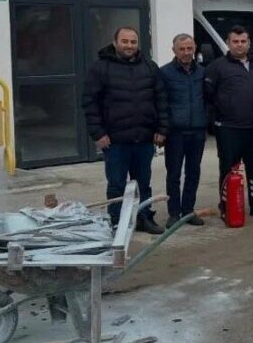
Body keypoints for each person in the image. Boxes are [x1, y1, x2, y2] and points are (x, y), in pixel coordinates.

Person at [82, 26, 168, 234]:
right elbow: (89, 102)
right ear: (115, 42)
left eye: (133, 42)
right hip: (115, 141)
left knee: (143, 183)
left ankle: (144, 218)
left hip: (144, 138)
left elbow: (161, 100)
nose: (129, 45)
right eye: (125, 41)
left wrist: (162, 129)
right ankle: (117, 221)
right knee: (116, 185)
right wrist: (98, 133)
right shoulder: (100, 68)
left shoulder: (149, 67)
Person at [205, 25, 253, 219]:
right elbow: (207, 97)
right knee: (228, 169)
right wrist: (214, 123)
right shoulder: (216, 67)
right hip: (229, 129)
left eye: (243, 41)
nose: (239, 45)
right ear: (228, 43)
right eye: (235, 41)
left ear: (249, 43)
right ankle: (226, 206)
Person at [159, 33, 207, 227]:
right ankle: (174, 212)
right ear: (174, 50)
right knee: (173, 174)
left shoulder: (202, 72)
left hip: (198, 131)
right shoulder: (165, 73)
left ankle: (188, 211)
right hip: (175, 133)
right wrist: (162, 129)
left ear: (194, 48)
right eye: (182, 49)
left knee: (193, 172)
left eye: (189, 48)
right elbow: (161, 103)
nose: (186, 52)